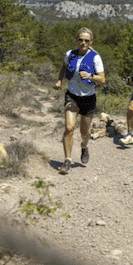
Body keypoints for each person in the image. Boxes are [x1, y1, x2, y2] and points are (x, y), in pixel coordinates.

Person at [52, 27, 105, 174]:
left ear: (91, 42)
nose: (83, 43)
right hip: (72, 96)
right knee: (69, 128)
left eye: (86, 40)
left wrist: (90, 76)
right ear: (76, 40)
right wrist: (59, 80)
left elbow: (102, 79)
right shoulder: (70, 54)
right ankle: (67, 160)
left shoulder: (95, 57)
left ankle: (84, 146)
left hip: (88, 98)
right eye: (80, 40)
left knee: (84, 132)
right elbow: (63, 67)